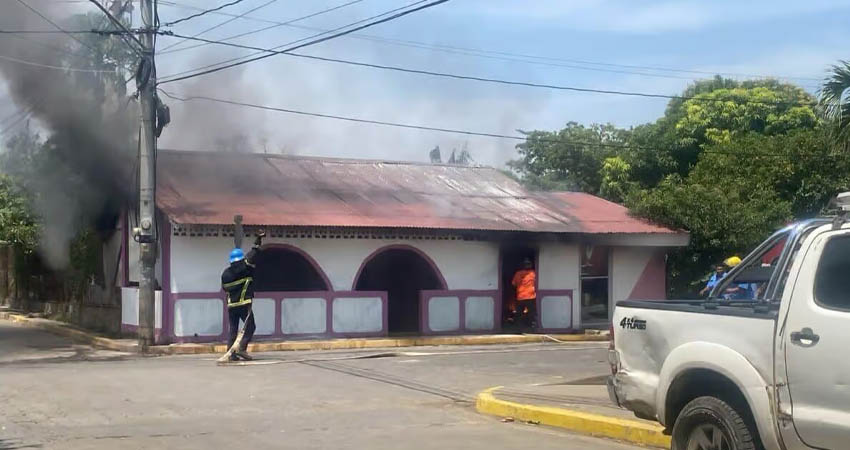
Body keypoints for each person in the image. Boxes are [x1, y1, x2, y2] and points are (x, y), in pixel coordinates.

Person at [220, 230, 264, 361]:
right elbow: (254, 252)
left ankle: (231, 353)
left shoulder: (225, 274)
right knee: (250, 326)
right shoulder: (245, 268)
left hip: (231, 305)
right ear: (241, 259)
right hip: (244, 303)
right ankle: (241, 348)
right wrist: (258, 239)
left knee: (233, 329)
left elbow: (224, 289)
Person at [511, 258, 537, 330]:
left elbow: (513, 284)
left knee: (519, 313)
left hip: (520, 296)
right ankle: (531, 326)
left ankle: (520, 327)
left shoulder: (517, 273)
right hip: (531, 296)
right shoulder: (533, 273)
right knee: (532, 312)